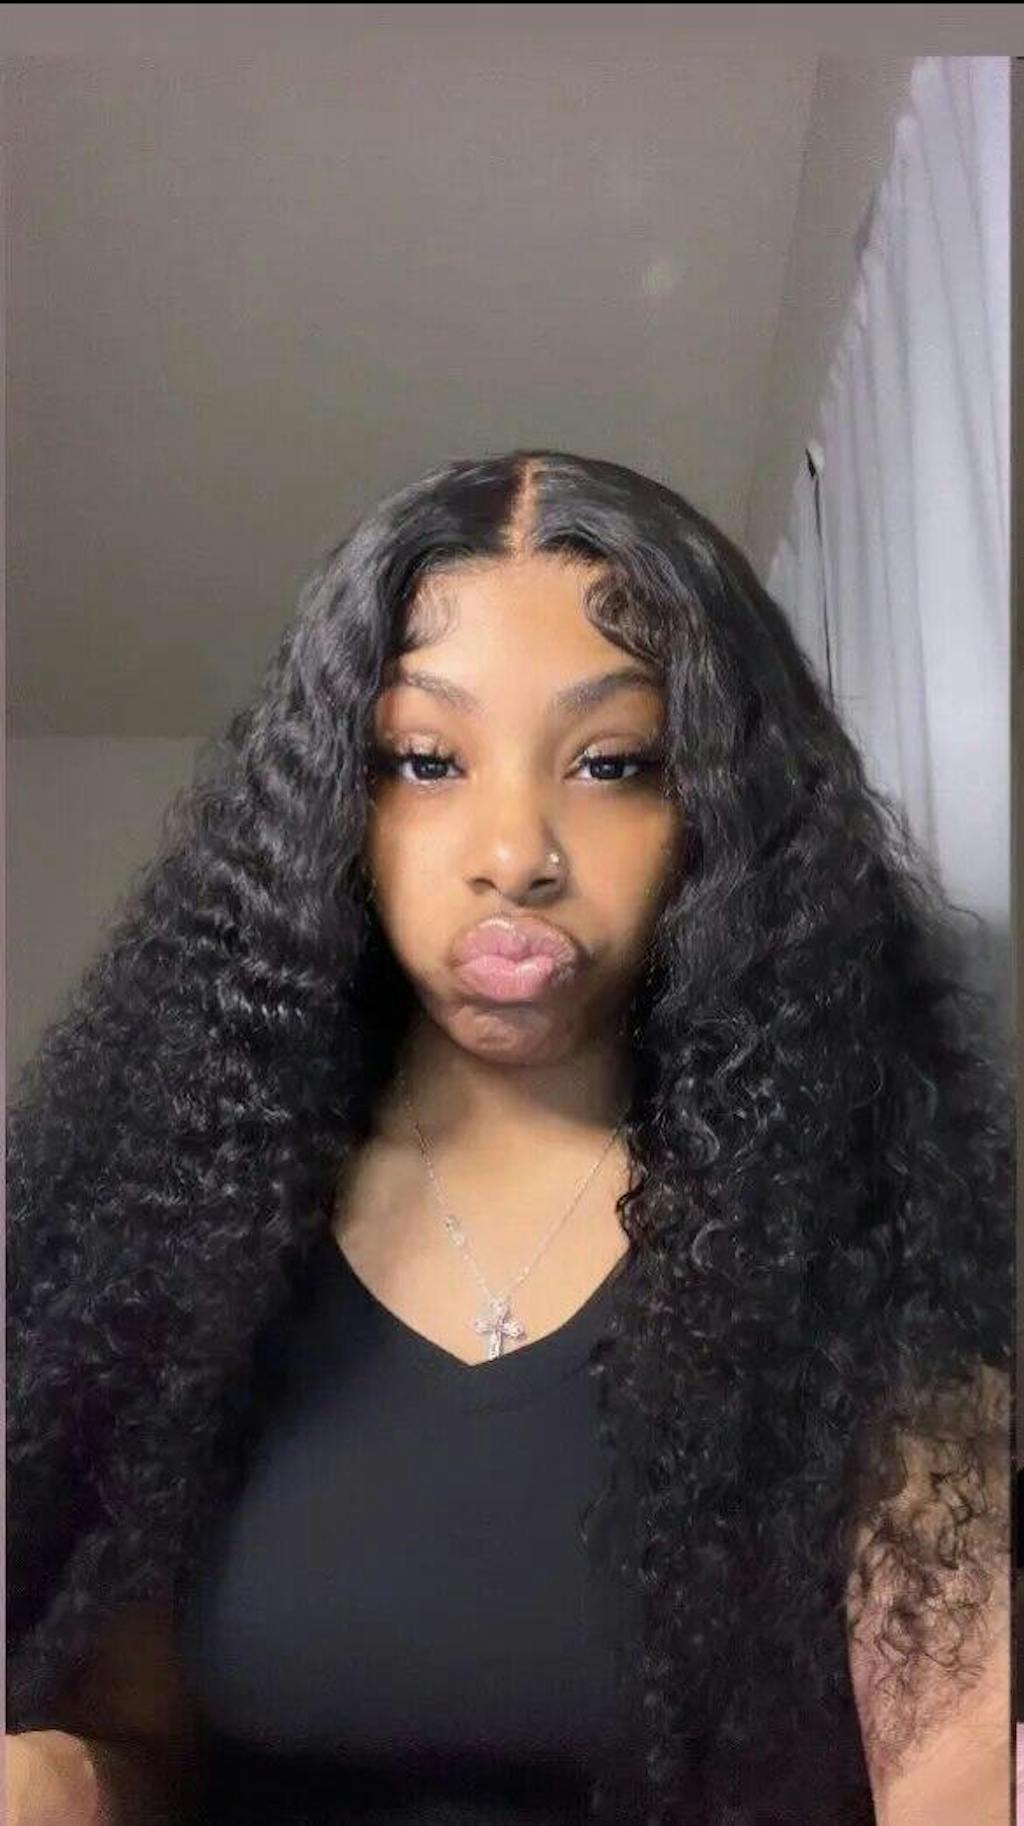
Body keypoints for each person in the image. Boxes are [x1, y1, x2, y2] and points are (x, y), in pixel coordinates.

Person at [6, 450, 1012, 1826]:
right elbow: (136, 1747)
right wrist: (52, 1782)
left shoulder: (877, 1267)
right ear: (331, 803)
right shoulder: (193, 1242)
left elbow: (957, 1772)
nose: (514, 851)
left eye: (612, 763)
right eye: (427, 761)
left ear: (722, 812)